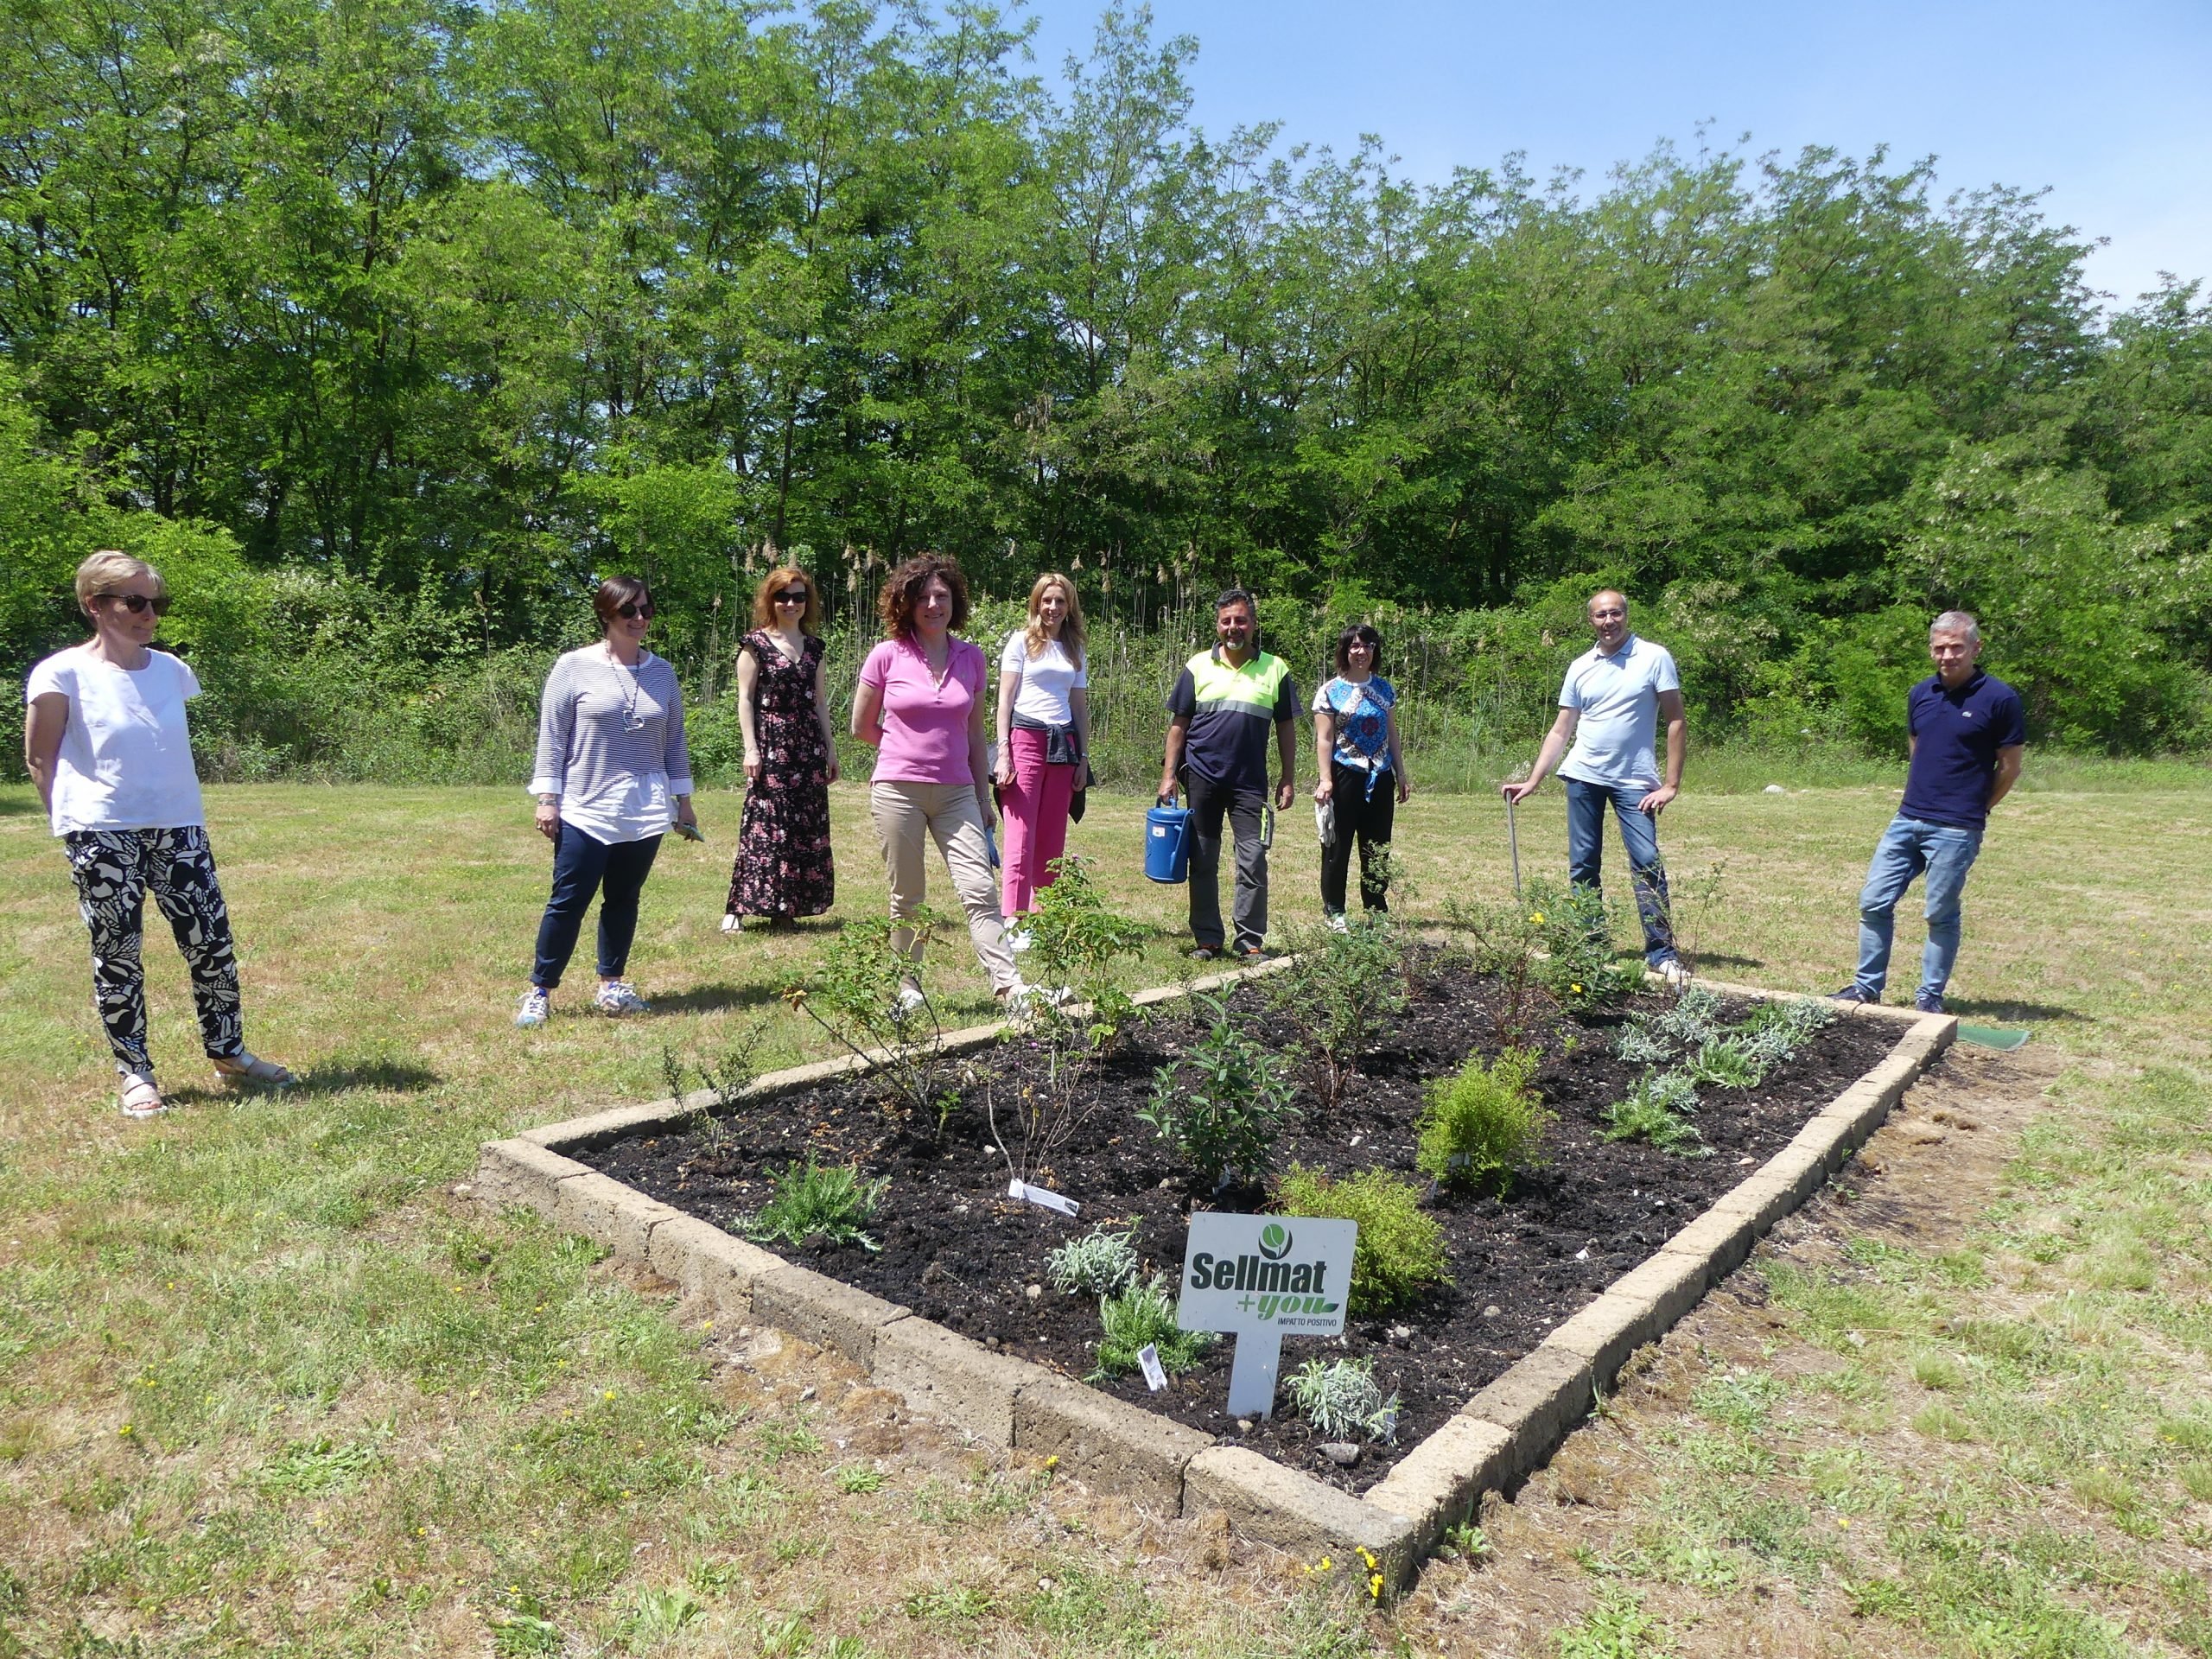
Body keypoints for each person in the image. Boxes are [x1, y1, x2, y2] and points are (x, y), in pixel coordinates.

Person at [22, 551, 292, 1117]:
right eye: (136, 601)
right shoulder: (60, 672)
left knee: (212, 947)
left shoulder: (172, 670)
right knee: (118, 955)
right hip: (102, 833)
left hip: (180, 827)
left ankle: (230, 1054)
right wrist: (72, 826)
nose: (150, 613)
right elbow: (39, 757)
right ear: (96, 606)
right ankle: (136, 1074)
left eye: (157, 603)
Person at [518, 575, 696, 1027]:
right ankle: (540, 991)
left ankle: (611, 985)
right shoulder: (573, 667)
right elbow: (553, 738)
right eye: (628, 611)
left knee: (624, 898)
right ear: (606, 614)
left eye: (646, 609)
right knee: (569, 899)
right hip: (585, 803)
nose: (639, 619)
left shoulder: (663, 672)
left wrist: (684, 802)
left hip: (645, 804)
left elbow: (674, 742)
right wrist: (547, 799)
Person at [851, 553, 1025, 1007]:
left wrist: (983, 797)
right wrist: (903, 754)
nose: (933, 604)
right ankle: (908, 988)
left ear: (955, 602)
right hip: (898, 791)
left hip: (957, 794)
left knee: (980, 888)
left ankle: (1009, 987)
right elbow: (862, 726)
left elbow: (973, 733)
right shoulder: (886, 655)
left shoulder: (972, 658)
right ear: (906, 603)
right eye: (923, 596)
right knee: (908, 896)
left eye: (942, 596)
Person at [1836, 612, 2024, 1014]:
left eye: (1956, 647)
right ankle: (1866, 988)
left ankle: (1929, 997)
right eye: (1940, 648)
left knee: (1939, 912)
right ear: (1931, 650)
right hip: (1908, 818)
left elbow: (2009, 766)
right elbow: (1916, 746)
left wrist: (1978, 807)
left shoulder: (2000, 699)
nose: (1947, 655)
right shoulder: (1920, 693)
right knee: (1873, 901)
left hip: (1957, 827)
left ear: (1975, 648)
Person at [1500, 589, 1687, 976]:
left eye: (1615, 613)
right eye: (1601, 615)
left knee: (1647, 862)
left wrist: (1670, 785)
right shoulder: (1580, 666)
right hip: (1583, 777)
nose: (1608, 622)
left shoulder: (1654, 658)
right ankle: (1591, 943)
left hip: (1636, 781)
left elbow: (1676, 720)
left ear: (1626, 615)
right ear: (1591, 621)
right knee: (1583, 864)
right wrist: (1533, 781)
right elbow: (1561, 729)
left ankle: (1661, 954)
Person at [1158, 588, 1299, 962]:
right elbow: (1179, 725)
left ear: (1253, 624)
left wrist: (1288, 776)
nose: (1233, 628)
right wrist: (1169, 775)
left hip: (1250, 783)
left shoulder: (1276, 669)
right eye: (1226, 621)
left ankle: (1249, 941)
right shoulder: (1197, 667)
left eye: (1240, 620)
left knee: (1253, 859)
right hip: (1202, 778)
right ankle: (1207, 939)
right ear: (1218, 625)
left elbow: (1286, 727)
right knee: (1202, 860)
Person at [724, 565, 838, 929]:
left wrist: (831, 750)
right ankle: (738, 908)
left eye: (799, 597)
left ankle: (786, 908)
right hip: (771, 742)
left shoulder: (815, 647)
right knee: (765, 822)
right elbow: (744, 699)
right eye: (783, 596)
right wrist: (750, 748)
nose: (791, 603)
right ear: (770, 600)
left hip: (807, 746)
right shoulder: (754, 644)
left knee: (803, 825)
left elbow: (820, 702)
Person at [994, 573, 1091, 924]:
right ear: (1037, 603)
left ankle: (1044, 916)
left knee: (1052, 835)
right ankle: (1014, 918)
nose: (1053, 607)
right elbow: (1004, 701)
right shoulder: (1020, 643)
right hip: (1026, 738)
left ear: (1069, 606)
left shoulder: (1074, 648)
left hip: (1064, 745)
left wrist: (1083, 757)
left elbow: (1079, 707)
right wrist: (1003, 752)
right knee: (1020, 833)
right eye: (1047, 600)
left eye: (1060, 601)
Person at [1313, 622, 1410, 929]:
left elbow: (1392, 733)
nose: (1361, 652)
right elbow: (1324, 739)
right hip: (1345, 775)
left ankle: (1376, 911)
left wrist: (1401, 773)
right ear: (1345, 650)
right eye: (1355, 646)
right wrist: (1325, 779)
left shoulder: (1384, 688)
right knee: (1337, 845)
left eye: (1367, 645)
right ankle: (1335, 911)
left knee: (1377, 846)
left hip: (1380, 776)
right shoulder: (1330, 692)